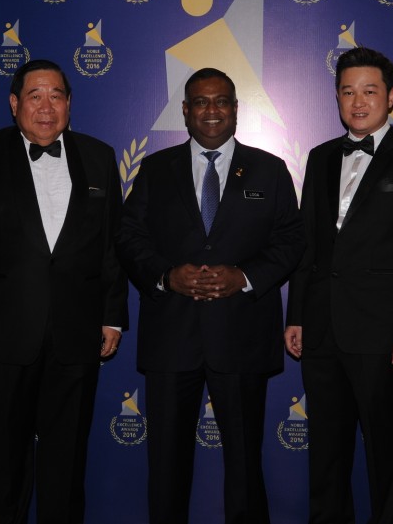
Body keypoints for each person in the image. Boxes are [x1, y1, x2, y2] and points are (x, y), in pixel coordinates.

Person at [117, 67, 305, 524]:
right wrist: (166, 276)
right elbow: (128, 236)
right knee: (165, 467)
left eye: (222, 101)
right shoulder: (156, 169)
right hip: (171, 336)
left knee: (243, 465)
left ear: (237, 108)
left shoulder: (270, 168)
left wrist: (242, 276)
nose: (212, 110)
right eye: (201, 101)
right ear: (185, 111)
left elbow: (291, 241)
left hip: (241, 336)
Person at [0, 59, 127, 524]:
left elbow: (112, 245)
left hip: (76, 332)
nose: (46, 108)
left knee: (67, 460)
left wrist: (112, 315)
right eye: (34, 96)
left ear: (69, 103)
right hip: (4, 336)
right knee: (5, 459)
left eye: (56, 96)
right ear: (14, 104)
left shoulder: (100, 157)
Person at [285, 47, 393, 524]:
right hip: (322, 331)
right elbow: (307, 246)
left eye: (370, 91)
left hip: (384, 335)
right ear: (336, 97)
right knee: (326, 456)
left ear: (391, 97)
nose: (358, 101)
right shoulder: (319, 157)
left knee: (384, 456)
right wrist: (296, 315)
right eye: (348, 91)